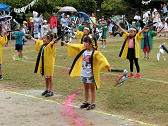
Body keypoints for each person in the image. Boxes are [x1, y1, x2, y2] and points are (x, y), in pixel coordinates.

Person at [62, 35, 113, 110]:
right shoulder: (83, 50)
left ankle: (93, 103)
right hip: (84, 73)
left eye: (86, 42)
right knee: (86, 88)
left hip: (91, 74)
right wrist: (66, 44)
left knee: (92, 89)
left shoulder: (95, 53)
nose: (84, 43)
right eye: (84, 41)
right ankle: (86, 101)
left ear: (91, 43)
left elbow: (103, 59)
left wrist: (108, 67)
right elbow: (75, 46)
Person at [31, 32, 58, 97]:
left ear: (49, 39)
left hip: (49, 64)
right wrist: (33, 39)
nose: (43, 39)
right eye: (43, 38)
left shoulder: (50, 45)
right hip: (44, 64)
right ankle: (47, 89)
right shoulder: (43, 45)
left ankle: (51, 90)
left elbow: (52, 43)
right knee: (46, 77)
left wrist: (54, 42)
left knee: (50, 77)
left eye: (45, 38)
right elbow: (38, 41)